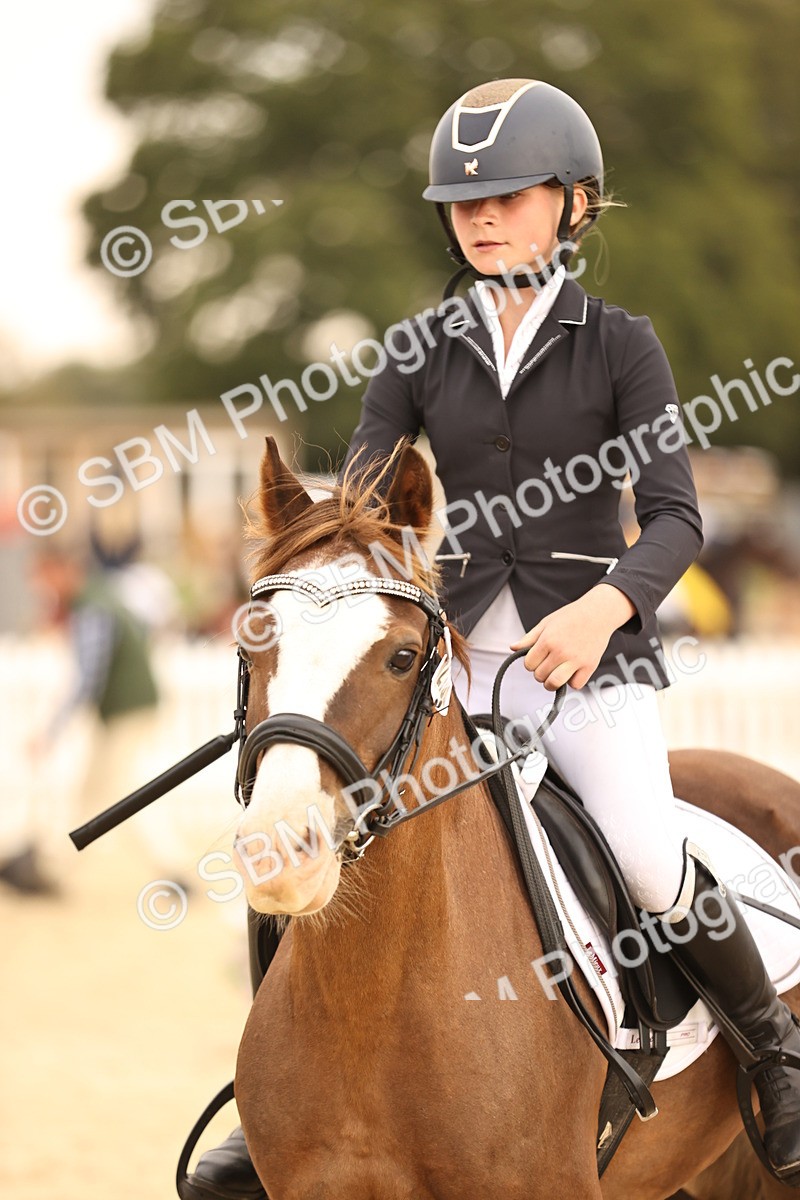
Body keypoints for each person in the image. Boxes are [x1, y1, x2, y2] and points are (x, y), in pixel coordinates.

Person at [183, 79, 800, 1196]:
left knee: (649, 858)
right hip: (448, 672)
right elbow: (370, 499)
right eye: (463, 200)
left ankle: (773, 1054)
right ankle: (271, 1097)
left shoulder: (619, 344)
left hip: (585, 667)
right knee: (306, 849)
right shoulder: (418, 348)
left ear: (570, 205)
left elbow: (674, 517)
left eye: (509, 196)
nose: (480, 215)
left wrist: (605, 604)